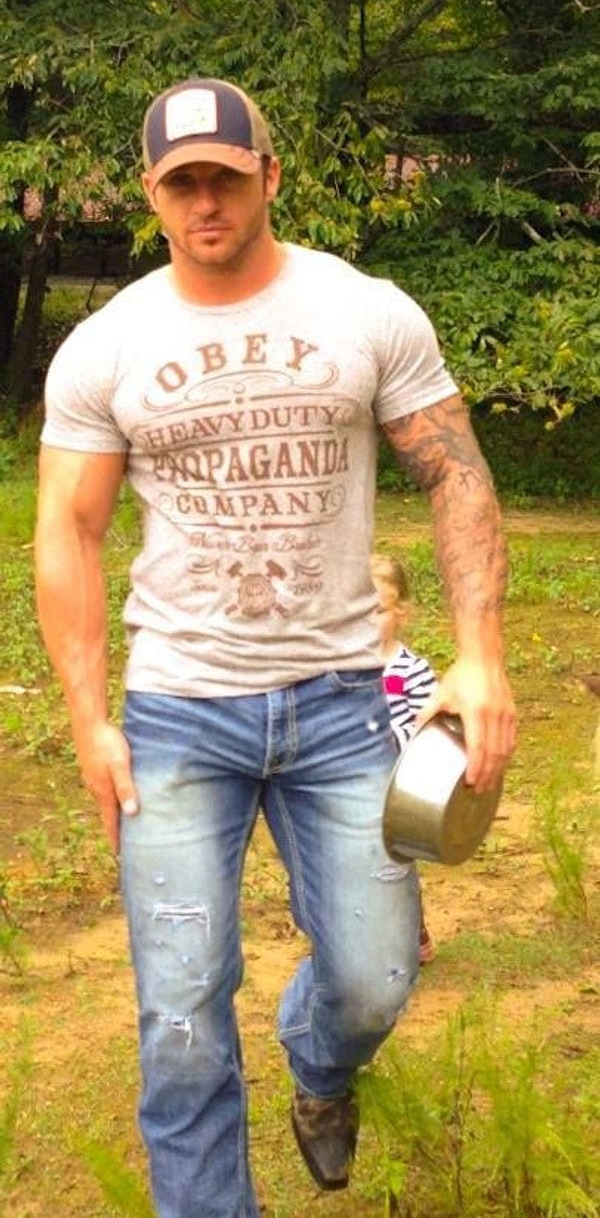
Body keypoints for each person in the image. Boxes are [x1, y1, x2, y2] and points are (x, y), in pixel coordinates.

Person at [34, 76, 516, 1218]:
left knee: (376, 979)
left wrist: (480, 652)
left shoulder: (365, 311)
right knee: (183, 1018)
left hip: (341, 702)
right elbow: (68, 528)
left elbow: (454, 472)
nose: (206, 202)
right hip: (178, 712)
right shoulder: (108, 345)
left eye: (226, 177)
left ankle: (319, 1065)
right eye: (182, 183)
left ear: (270, 177)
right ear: (151, 194)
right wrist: (89, 720)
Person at [371, 552, 437, 964]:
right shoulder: (340, 668)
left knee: (396, 863)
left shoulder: (412, 670)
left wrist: (393, 740)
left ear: (400, 613)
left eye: (378, 611)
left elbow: (431, 729)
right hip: (348, 782)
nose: (367, 621)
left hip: (394, 787)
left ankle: (414, 933)